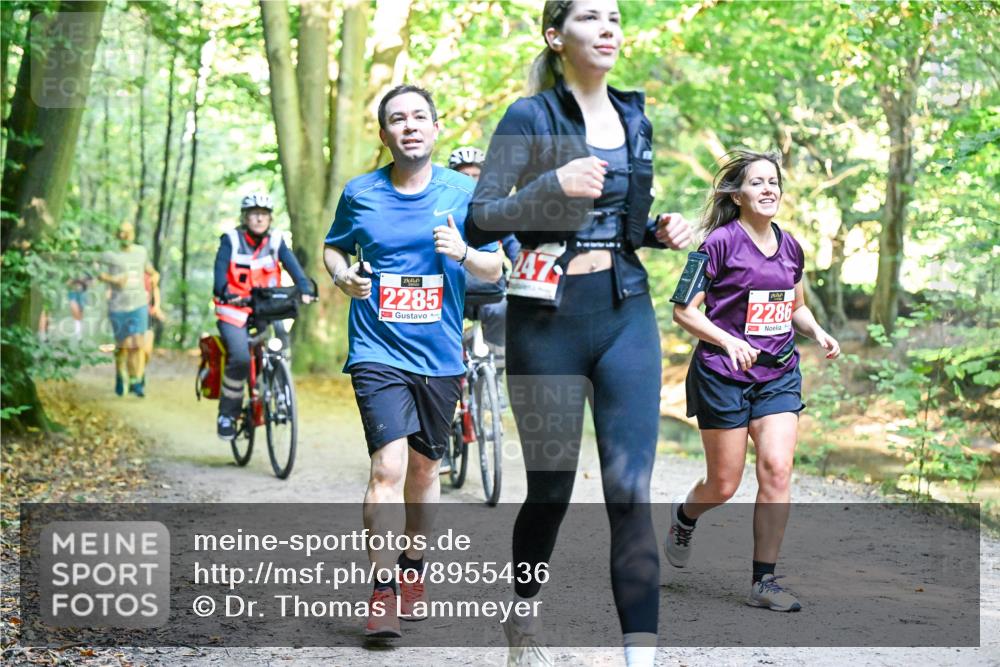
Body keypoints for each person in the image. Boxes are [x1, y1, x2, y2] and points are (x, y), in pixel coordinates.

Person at [465, 2, 692, 665]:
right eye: (590, 15)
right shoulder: (529, 116)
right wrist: (551, 185)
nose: (608, 26)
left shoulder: (634, 117)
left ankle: (638, 657)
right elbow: (481, 219)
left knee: (629, 489)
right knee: (552, 488)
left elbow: (627, 220)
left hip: (625, 312)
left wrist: (660, 230)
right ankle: (525, 615)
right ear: (556, 35)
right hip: (546, 321)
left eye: (615, 16)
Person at [324, 85, 502, 639]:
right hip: (377, 349)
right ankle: (381, 594)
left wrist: (465, 254)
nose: (409, 126)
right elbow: (334, 246)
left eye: (419, 117)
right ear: (385, 135)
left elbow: (499, 268)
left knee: (425, 472)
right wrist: (341, 275)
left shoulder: (466, 194)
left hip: (440, 354)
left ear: (435, 128)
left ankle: (413, 569)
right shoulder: (360, 192)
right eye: (397, 119)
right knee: (388, 469)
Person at [665, 150, 841, 613]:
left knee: (777, 469)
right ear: (737, 194)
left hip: (778, 372)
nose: (768, 189)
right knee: (723, 484)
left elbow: (793, 304)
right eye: (757, 182)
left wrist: (817, 330)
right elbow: (684, 310)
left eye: (774, 182)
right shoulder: (717, 244)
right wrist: (727, 341)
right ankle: (685, 518)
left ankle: (764, 582)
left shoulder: (791, 246)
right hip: (723, 375)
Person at [212, 193, 315, 440]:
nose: (259, 219)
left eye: (264, 214)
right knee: (239, 358)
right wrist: (225, 292)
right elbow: (219, 276)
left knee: (281, 343)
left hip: (266, 308)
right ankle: (228, 414)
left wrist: (305, 288)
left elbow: (294, 268)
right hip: (234, 309)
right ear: (245, 217)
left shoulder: (276, 240)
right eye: (253, 214)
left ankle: (278, 391)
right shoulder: (231, 240)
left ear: (270, 218)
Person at [98, 222, 157, 397]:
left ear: (133, 234)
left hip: (138, 304)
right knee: (122, 346)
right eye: (121, 232)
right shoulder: (110, 255)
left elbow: (150, 271)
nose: (125, 235)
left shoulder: (141, 252)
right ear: (117, 235)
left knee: (138, 344)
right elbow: (99, 275)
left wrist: (155, 277)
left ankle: (136, 382)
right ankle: (119, 374)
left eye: (128, 232)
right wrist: (113, 279)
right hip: (118, 306)